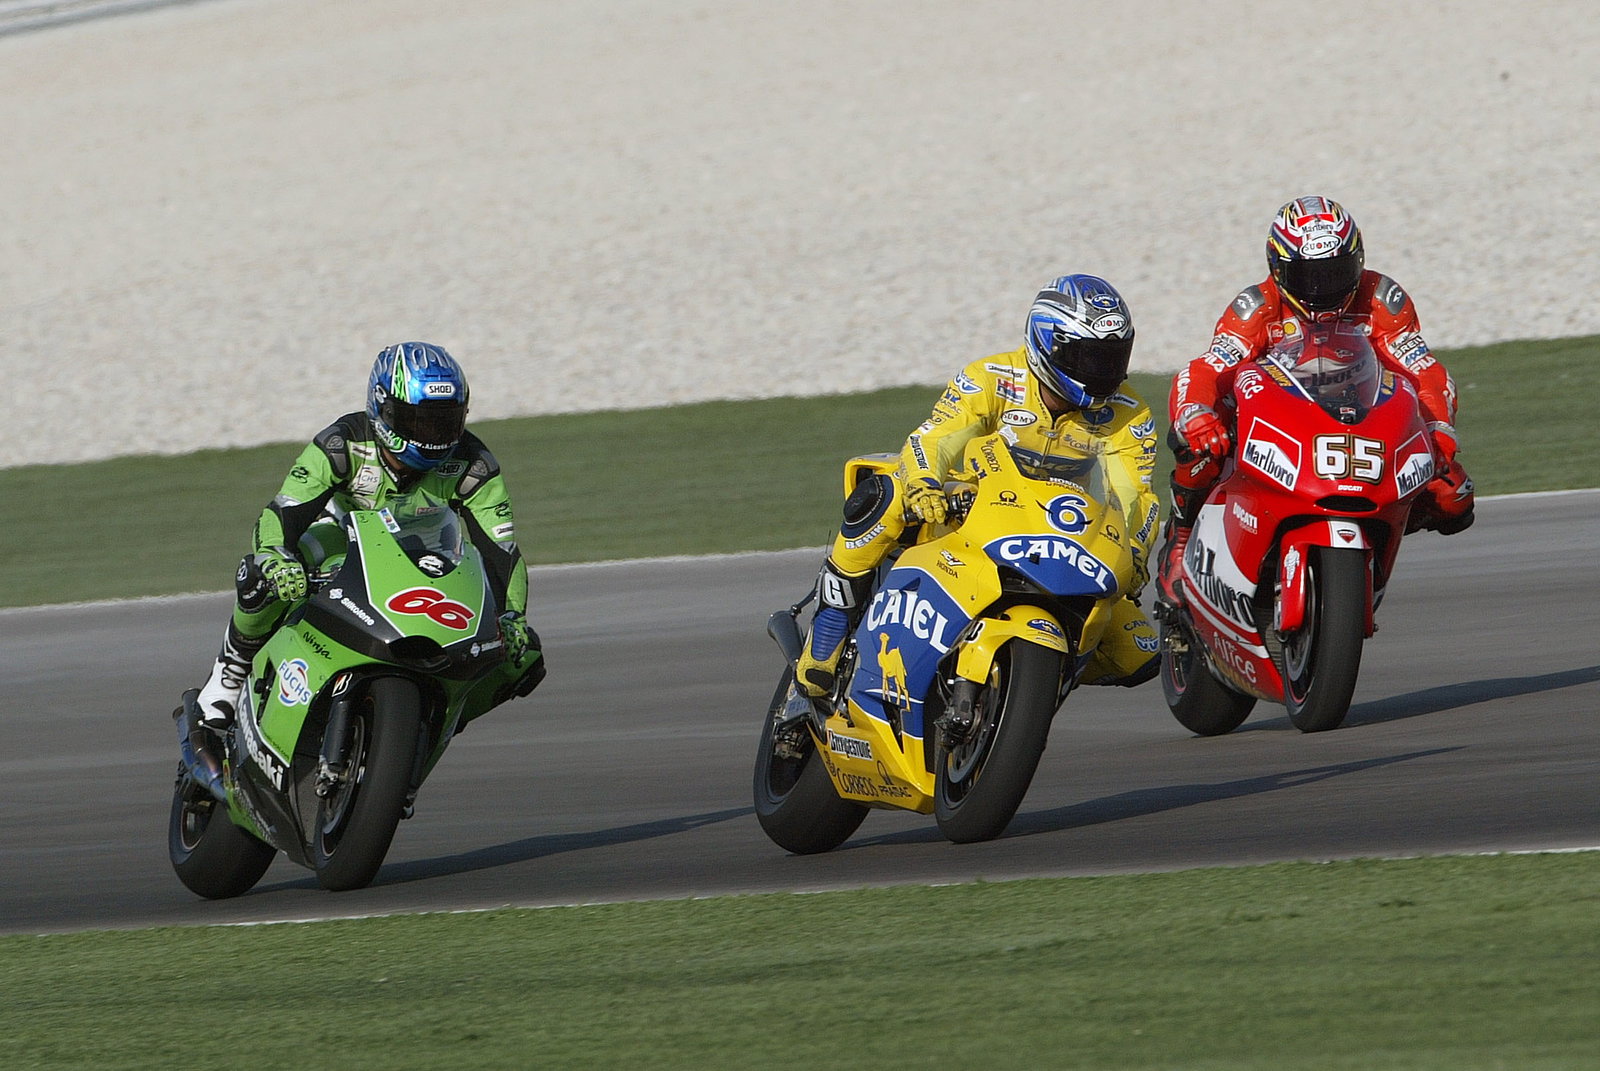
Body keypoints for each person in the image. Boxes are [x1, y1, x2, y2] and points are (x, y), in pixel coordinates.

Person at [793, 274, 1163, 700]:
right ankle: (831, 624)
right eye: (1092, 359)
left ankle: (1023, 684)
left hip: (1063, 537)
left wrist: (1134, 552)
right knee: (885, 493)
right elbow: (936, 438)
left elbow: (1135, 496)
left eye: (1114, 359)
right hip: (967, 510)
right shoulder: (992, 377)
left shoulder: (1129, 413)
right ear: (1048, 343)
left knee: (1139, 655)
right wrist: (925, 485)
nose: (1107, 374)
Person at [189, 341, 543, 749]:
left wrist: (512, 615)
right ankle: (229, 676)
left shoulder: (474, 464)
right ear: (383, 410)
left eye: (444, 423)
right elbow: (283, 512)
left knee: (522, 658)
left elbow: (503, 552)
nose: (431, 437)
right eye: (416, 422)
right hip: (341, 543)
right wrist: (275, 557)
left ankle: (432, 725)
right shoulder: (342, 443)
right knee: (260, 576)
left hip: (432, 563)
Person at [1155, 196, 1475, 607]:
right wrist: (1196, 415)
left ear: (1357, 260)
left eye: (1336, 272)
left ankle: (1367, 541)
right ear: (1278, 268)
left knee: (1453, 495)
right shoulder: (1256, 307)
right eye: (1308, 276)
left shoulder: (1382, 299)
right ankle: (1181, 541)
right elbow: (1205, 369)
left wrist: (1439, 430)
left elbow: (1423, 370)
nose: (1323, 289)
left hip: (1358, 420)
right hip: (1275, 418)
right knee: (1199, 447)